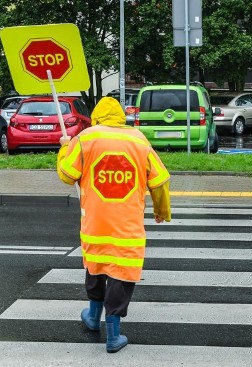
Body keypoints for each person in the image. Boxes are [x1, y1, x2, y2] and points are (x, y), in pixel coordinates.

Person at [57, 96, 171, 353]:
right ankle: (113, 334)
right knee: (121, 273)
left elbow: (67, 174)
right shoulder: (138, 140)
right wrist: (161, 211)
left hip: (95, 225)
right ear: (121, 117)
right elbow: (160, 180)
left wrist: (65, 147)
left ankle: (92, 317)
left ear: (96, 117)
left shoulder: (85, 139)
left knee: (96, 267)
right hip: (127, 227)